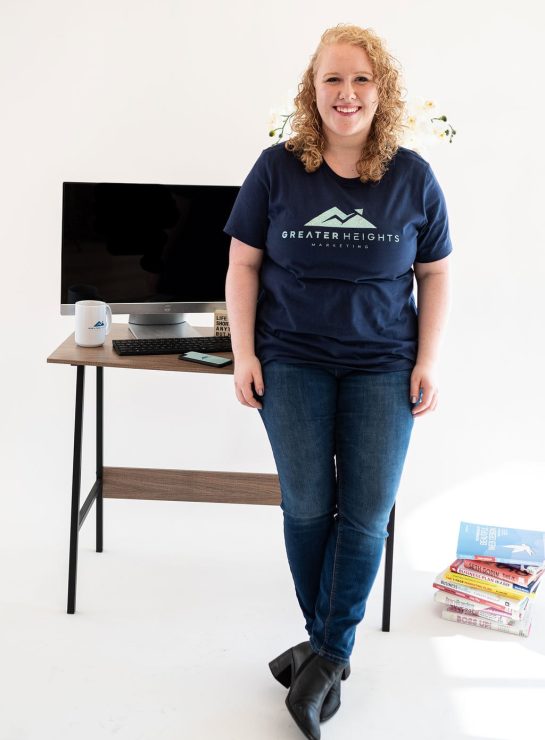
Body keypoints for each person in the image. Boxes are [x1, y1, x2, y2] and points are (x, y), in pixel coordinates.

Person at [224, 23, 452, 740]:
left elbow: (436, 273)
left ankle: (325, 654)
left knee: (364, 513)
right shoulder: (276, 168)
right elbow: (242, 265)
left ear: (378, 91)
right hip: (289, 358)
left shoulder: (411, 175)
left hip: (383, 364)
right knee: (304, 507)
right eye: (331, 79)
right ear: (311, 88)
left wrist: (426, 359)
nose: (345, 93)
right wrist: (242, 353)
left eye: (359, 79)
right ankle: (327, 651)